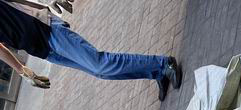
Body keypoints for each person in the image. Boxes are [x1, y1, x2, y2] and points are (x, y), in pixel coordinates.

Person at [0, 0, 182, 101]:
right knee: (100, 72)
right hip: (43, 51)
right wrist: (22, 70)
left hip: (46, 29)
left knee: (101, 65)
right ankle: (157, 72)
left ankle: (164, 64)